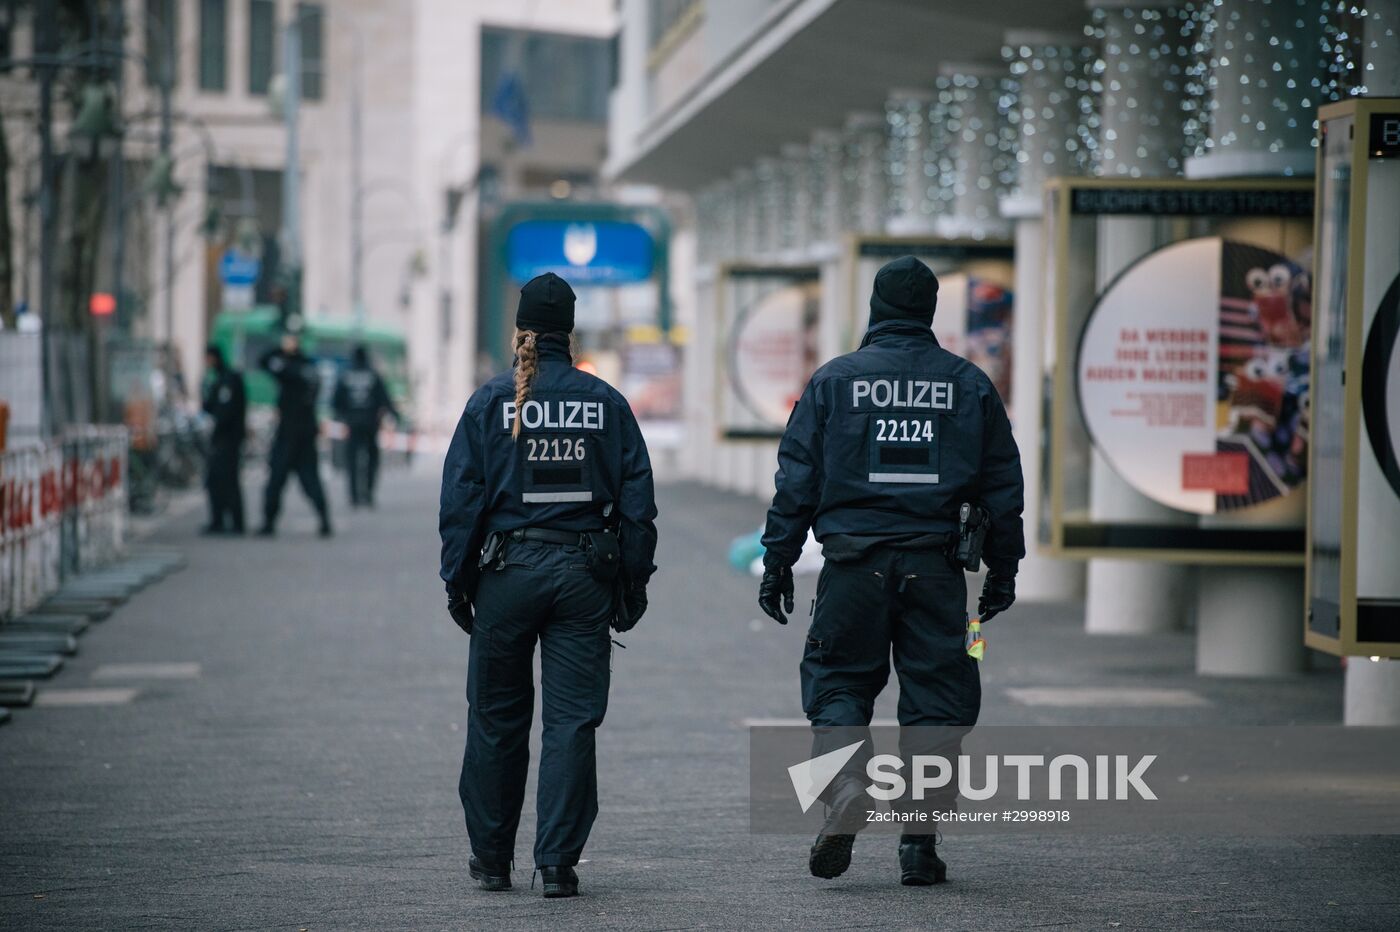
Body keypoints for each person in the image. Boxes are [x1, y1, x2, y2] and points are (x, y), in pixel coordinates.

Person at [757, 255, 1024, 886]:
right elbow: (1003, 487)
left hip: (853, 570)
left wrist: (777, 561)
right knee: (938, 700)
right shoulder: (969, 384)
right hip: (936, 573)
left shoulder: (834, 382)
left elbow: (797, 480)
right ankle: (918, 846)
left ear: (876, 308)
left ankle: (847, 788)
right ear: (930, 310)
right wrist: (1003, 570)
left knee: (836, 687)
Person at [439, 272, 657, 899]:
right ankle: (558, 864)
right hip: (584, 578)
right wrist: (632, 585)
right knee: (570, 723)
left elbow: (460, 504)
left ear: (521, 331)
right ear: (570, 331)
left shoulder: (490, 402)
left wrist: (459, 583)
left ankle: (490, 859)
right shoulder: (605, 402)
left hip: (505, 577)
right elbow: (639, 504)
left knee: (496, 720)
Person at [258, 330, 333, 537]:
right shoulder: (310, 367)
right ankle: (324, 520)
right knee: (310, 479)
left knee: (277, 480)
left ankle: (269, 522)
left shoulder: (289, 367)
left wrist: (281, 350)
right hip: (307, 431)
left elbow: (264, 361)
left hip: (290, 432)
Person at [332, 345, 400, 508]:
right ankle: (368, 494)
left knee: (352, 461)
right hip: (370, 424)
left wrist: (343, 417)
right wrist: (394, 415)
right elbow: (384, 398)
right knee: (371, 461)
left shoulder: (345, 375)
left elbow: (336, 401)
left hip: (352, 424)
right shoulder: (373, 375)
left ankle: (354, 496)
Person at [200, 345, 247, 534]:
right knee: (216, 481)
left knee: (228, 481)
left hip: (228, 439)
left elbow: (224, 412)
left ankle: (234, 522)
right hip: (222, 438)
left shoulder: (229, 379)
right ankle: (219, 520)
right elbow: (210, 406)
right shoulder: (218, 379)